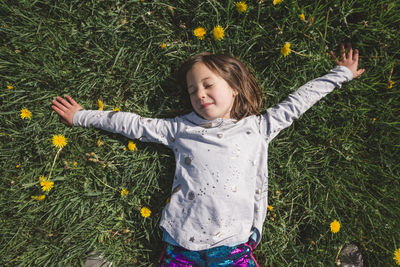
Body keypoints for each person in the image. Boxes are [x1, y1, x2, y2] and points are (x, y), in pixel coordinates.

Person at [51, 43, 365, 266]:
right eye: (192, 90)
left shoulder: (259, 127)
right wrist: (81, 116)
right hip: (180, 242)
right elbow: (131, 124)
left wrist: (340, 74)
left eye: (207, 84)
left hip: (233, 246)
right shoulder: (180, 129)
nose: (199, 94)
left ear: (234, 88)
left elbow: (298, 101)